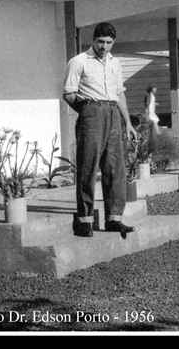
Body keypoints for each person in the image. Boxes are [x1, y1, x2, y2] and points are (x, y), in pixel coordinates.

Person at [63, 22, 138, 238]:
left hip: (113, 113)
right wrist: (87, 111)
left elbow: (120, 93)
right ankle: (85, 220)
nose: (104, 47)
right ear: (93, 40)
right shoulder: (78, 61)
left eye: (108, 43)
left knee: (115, 167)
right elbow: (68, 93)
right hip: (91, 112)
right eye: (100, 42)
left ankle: (114, 218)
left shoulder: (115, 63)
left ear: (113, 42)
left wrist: (128, 123)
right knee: (88, 166)